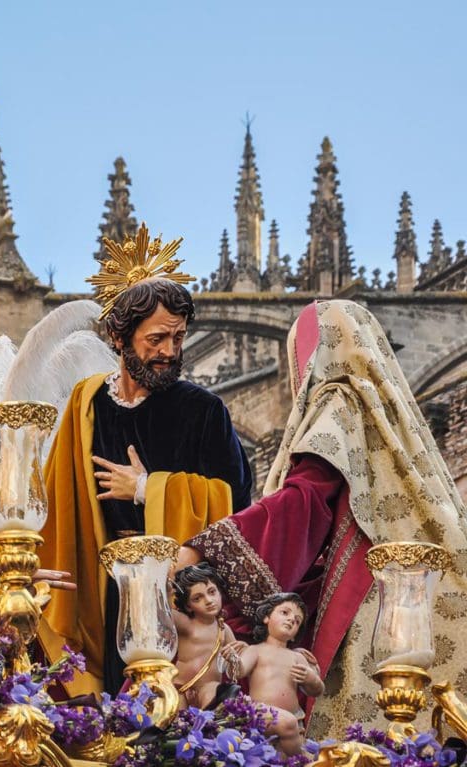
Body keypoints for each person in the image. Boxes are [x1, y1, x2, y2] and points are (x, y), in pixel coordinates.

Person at [178, 299, 467, 737]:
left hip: (371, 599)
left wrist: (207, 549)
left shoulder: (335, 399)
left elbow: (306, 499)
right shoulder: (381, 412)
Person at [39, 225, 253, 695]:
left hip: (180, 590)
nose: (170, 353)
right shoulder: (87, 402)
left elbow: (235, 503)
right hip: (102, 587)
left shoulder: (203, 410)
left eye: (178, 339)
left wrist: (146, 488)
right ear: (119, 336)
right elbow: (53, 492)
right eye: (156, 339)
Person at [223, 593, 323, 755]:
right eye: (285, 613)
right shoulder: (255, 650)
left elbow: (316, 690)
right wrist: (233, 659)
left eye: (297, 621)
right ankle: (302, 761)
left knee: (280, 755)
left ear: (296, 633)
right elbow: (239, 671)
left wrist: (311, 678)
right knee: (288, 725)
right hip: (261, 715)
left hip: (294, 720)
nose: (291, 619)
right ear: (266, 618)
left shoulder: (297, 657)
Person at [172, 563, 237, 709]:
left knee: (214, 697)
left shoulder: (224, 630)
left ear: (220, 592)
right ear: (188, 606)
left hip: (208, 688)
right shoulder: (186, 623)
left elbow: (237, 669)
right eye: (197, 598)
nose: (208, 600)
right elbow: (162, 613)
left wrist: (234, 658)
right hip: (180, 687)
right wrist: (166, 589)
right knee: (174, 717)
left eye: (212, 592)